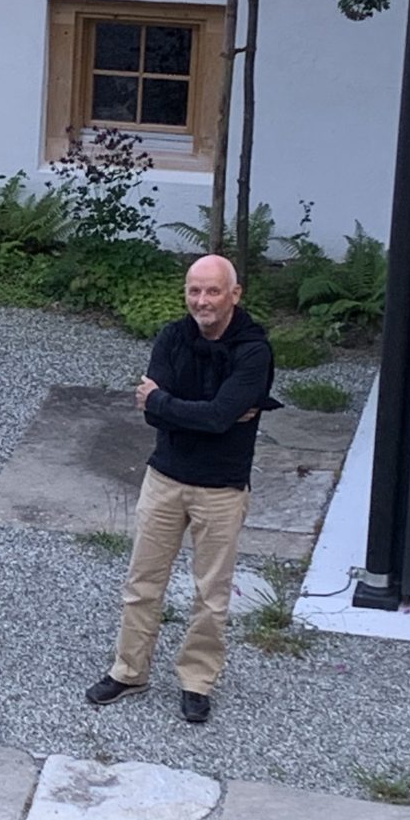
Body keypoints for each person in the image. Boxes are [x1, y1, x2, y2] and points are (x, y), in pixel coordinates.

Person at [84, 253, 278, 725]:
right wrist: (204, 411)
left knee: (211, 593)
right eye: (194, 290)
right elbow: (166, 415)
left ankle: (197, 681)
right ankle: (130, 670)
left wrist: (168, 403)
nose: (202, 300)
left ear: (234, 294)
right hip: (165, 478)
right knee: (141, 582)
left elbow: (207, 416)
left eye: (213, 291)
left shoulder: (254, 352)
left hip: (222, 488)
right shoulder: (172, 337)